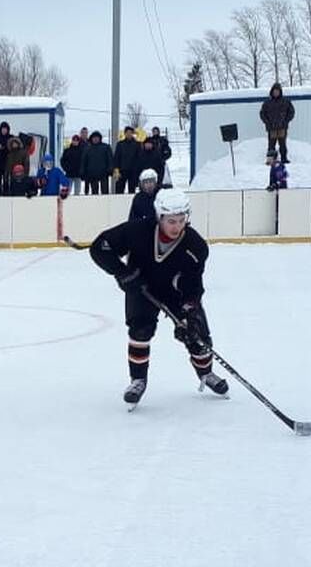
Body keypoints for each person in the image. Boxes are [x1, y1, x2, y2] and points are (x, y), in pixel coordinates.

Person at [88, 187, 228, 406]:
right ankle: (138, 380)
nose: (177, 226)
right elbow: (100, 247)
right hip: (141, 288)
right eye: (171, 221)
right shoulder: (138, 230)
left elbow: (193, 283)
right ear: (159, 217)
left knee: (197, 334)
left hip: (175, 293)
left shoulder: (195, 246)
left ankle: (206, 373)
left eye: (181, 220)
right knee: (140, 331)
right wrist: (123, 273)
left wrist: (190, 310)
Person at [260, 82, 295, 164]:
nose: (276, 93)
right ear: (272, 92)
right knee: (271, 145)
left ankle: (284, 158)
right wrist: (267, 123)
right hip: (271, 127)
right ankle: (270, 160)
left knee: (282, 144)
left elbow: (291, 112)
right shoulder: (267, 103)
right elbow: (262, 114)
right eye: (274, 91)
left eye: (277, 91)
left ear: (280, 92)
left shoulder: (286, 101)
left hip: (282, 127)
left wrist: (286, 121)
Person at [81, 130, 112, 196]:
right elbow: (84, 161)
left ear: (100, 138)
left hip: (104, 173)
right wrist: (83, 172)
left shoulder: (106, 147)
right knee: (94, 193)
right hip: (92, 174)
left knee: (105, 192)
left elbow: (110, 159)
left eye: (97, 137)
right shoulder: (87, 148)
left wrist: (110, 169)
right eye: (94, 138)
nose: (95, 139)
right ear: (91, 139)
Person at [113, 127, 142, 195]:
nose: (129, 134)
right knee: (119, 190)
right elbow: (117, 157)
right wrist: (116, 169)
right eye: (127, 133)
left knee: (132, 190)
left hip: (133, 171)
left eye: (130, 133)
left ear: (132, 134)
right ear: (125, 134)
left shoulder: (137, 144)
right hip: (122, 171)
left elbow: (139, 158)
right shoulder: (120, 144)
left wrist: (138, 170)